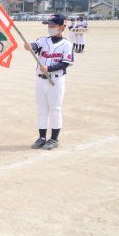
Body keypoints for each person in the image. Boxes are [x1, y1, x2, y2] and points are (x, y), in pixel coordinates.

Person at [24, 14, 74, 150]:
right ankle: (41, 137)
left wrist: (49, 68)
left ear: (62, 27)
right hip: (40, 80)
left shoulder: (67, 44)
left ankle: (54, 138)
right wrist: (30, 46)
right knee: (42, 110)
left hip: (55, 81)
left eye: (53, 26)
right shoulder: (43, 40)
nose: (50, 28)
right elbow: (36, 45)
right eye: (49, 25)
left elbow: (66, 63)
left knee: (55, 109)